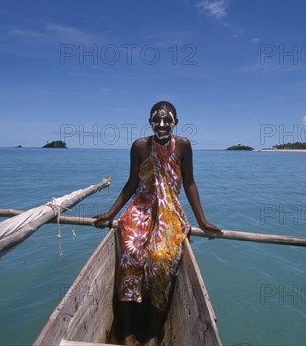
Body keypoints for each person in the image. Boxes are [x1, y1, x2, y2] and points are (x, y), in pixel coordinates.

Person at [94, 101, 222, 346]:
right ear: (150, 121)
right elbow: (132, 183)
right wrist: (111, 213)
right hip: (141, 205)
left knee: (162, 259)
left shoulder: (183, 145)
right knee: (131, 254)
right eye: (157, 120)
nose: (161, 125)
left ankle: (153, 332)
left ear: (175, 122)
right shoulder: (140, 146)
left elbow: (189, 183)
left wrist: (202, 220)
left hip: (170, 210)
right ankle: (126, 332)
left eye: (167, 120)